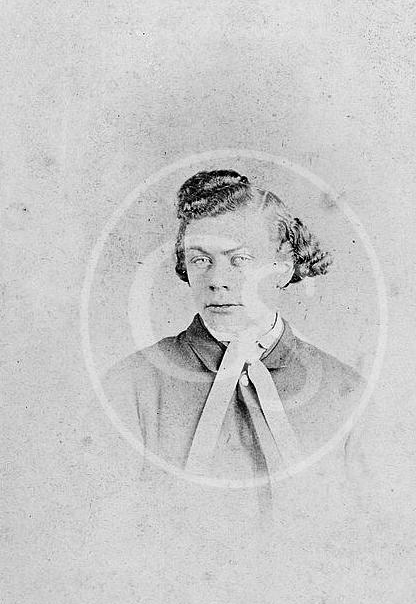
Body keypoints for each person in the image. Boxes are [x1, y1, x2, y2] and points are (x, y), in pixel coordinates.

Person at [103, 168, 364, 486]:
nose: (217, 281)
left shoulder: (345, 391)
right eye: (200, 260)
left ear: (283, 268)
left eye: (240, 259)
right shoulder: (129, 386)